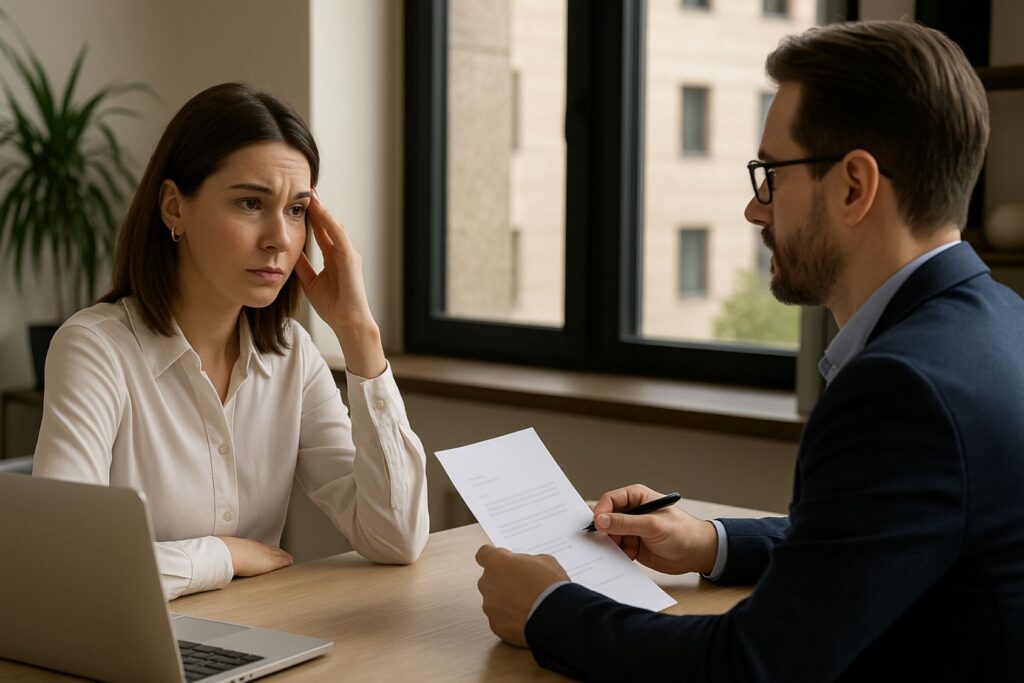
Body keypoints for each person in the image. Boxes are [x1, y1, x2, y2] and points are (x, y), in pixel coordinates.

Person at [475, 20, 1024, 681]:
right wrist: (710, 541)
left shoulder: (902, 389)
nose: (753, 210)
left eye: (771, 174)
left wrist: (545, 607)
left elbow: (752, 666)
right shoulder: (1000, 325)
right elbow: (872, 540)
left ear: (855, 186)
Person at [33, 82, 429, 600]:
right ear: (175, 208)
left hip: (260, 644)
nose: (281, 239)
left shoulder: (292, 355)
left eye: (295, 210)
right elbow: (64, 561)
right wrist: (221, 554)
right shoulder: (95, 349)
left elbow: (394, 538)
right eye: (250, 203)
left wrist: (360, 334)